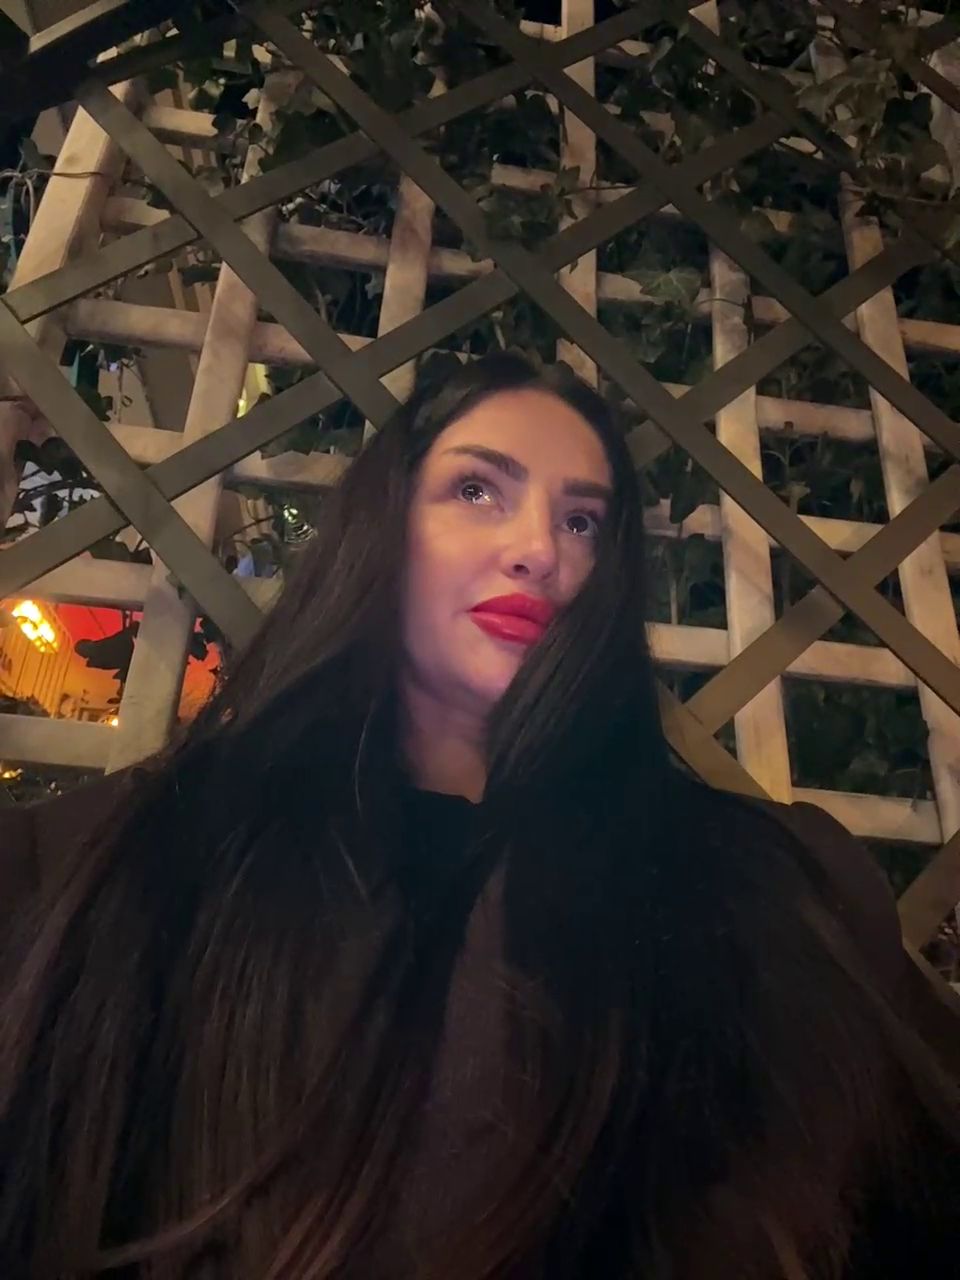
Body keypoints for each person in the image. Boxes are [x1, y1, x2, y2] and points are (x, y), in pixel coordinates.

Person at [0, 351, 958, 1279]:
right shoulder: (132, 861)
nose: (540, 550)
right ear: (383, 527)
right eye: (477, 490)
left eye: (582, 522)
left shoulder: (758, 888)